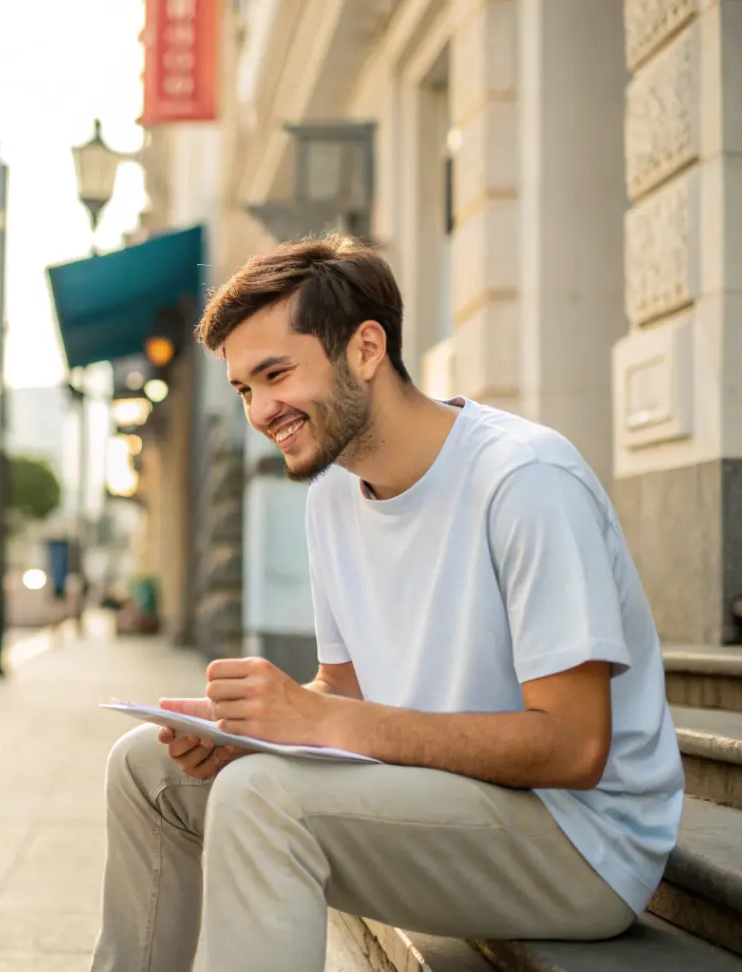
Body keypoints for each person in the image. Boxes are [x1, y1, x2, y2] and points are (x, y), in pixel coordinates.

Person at [91, 237, 684, 972]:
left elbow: (573, 746)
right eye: (244, 389)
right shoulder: (333, 494)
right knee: (146, 767)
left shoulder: (524, 479)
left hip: (580, 845)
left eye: (275, 374)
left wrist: (320, 720)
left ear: (365, 349)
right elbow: (343, 692)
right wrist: (249, 726)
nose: (261, 410)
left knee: (261, 798)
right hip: (444, 801)